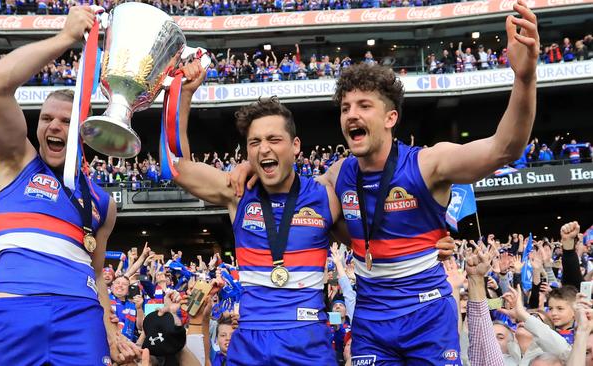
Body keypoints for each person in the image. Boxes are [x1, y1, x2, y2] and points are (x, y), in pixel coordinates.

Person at [229, 1, 539, 364]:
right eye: (345, 108)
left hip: (427, 317)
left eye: (364, 106)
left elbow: (504, 148)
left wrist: (524, 78)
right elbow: (289, 189)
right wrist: (248, 166)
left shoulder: (427, 164)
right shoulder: (338, 175)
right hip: (371, 322)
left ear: (391, 117)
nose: (352, 115)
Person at [0, 6, 138, 365]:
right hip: (15, 310)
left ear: (84, 131)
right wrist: (65, 39)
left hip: (81, 316)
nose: (53, 126)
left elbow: (97, 273)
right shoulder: (16, 161)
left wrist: (111, 331)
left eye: (65, 121)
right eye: (46, 118)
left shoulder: (103, 202)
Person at [173, 64, 341, 365]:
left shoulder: (325, 194)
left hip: (309, 341)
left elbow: (369, 238)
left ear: (295, 146)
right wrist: (185, 94)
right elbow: (178, 167)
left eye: (274, 139)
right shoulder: (237, 192)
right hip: (251, 341)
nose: (264, 149)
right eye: (255, 142)